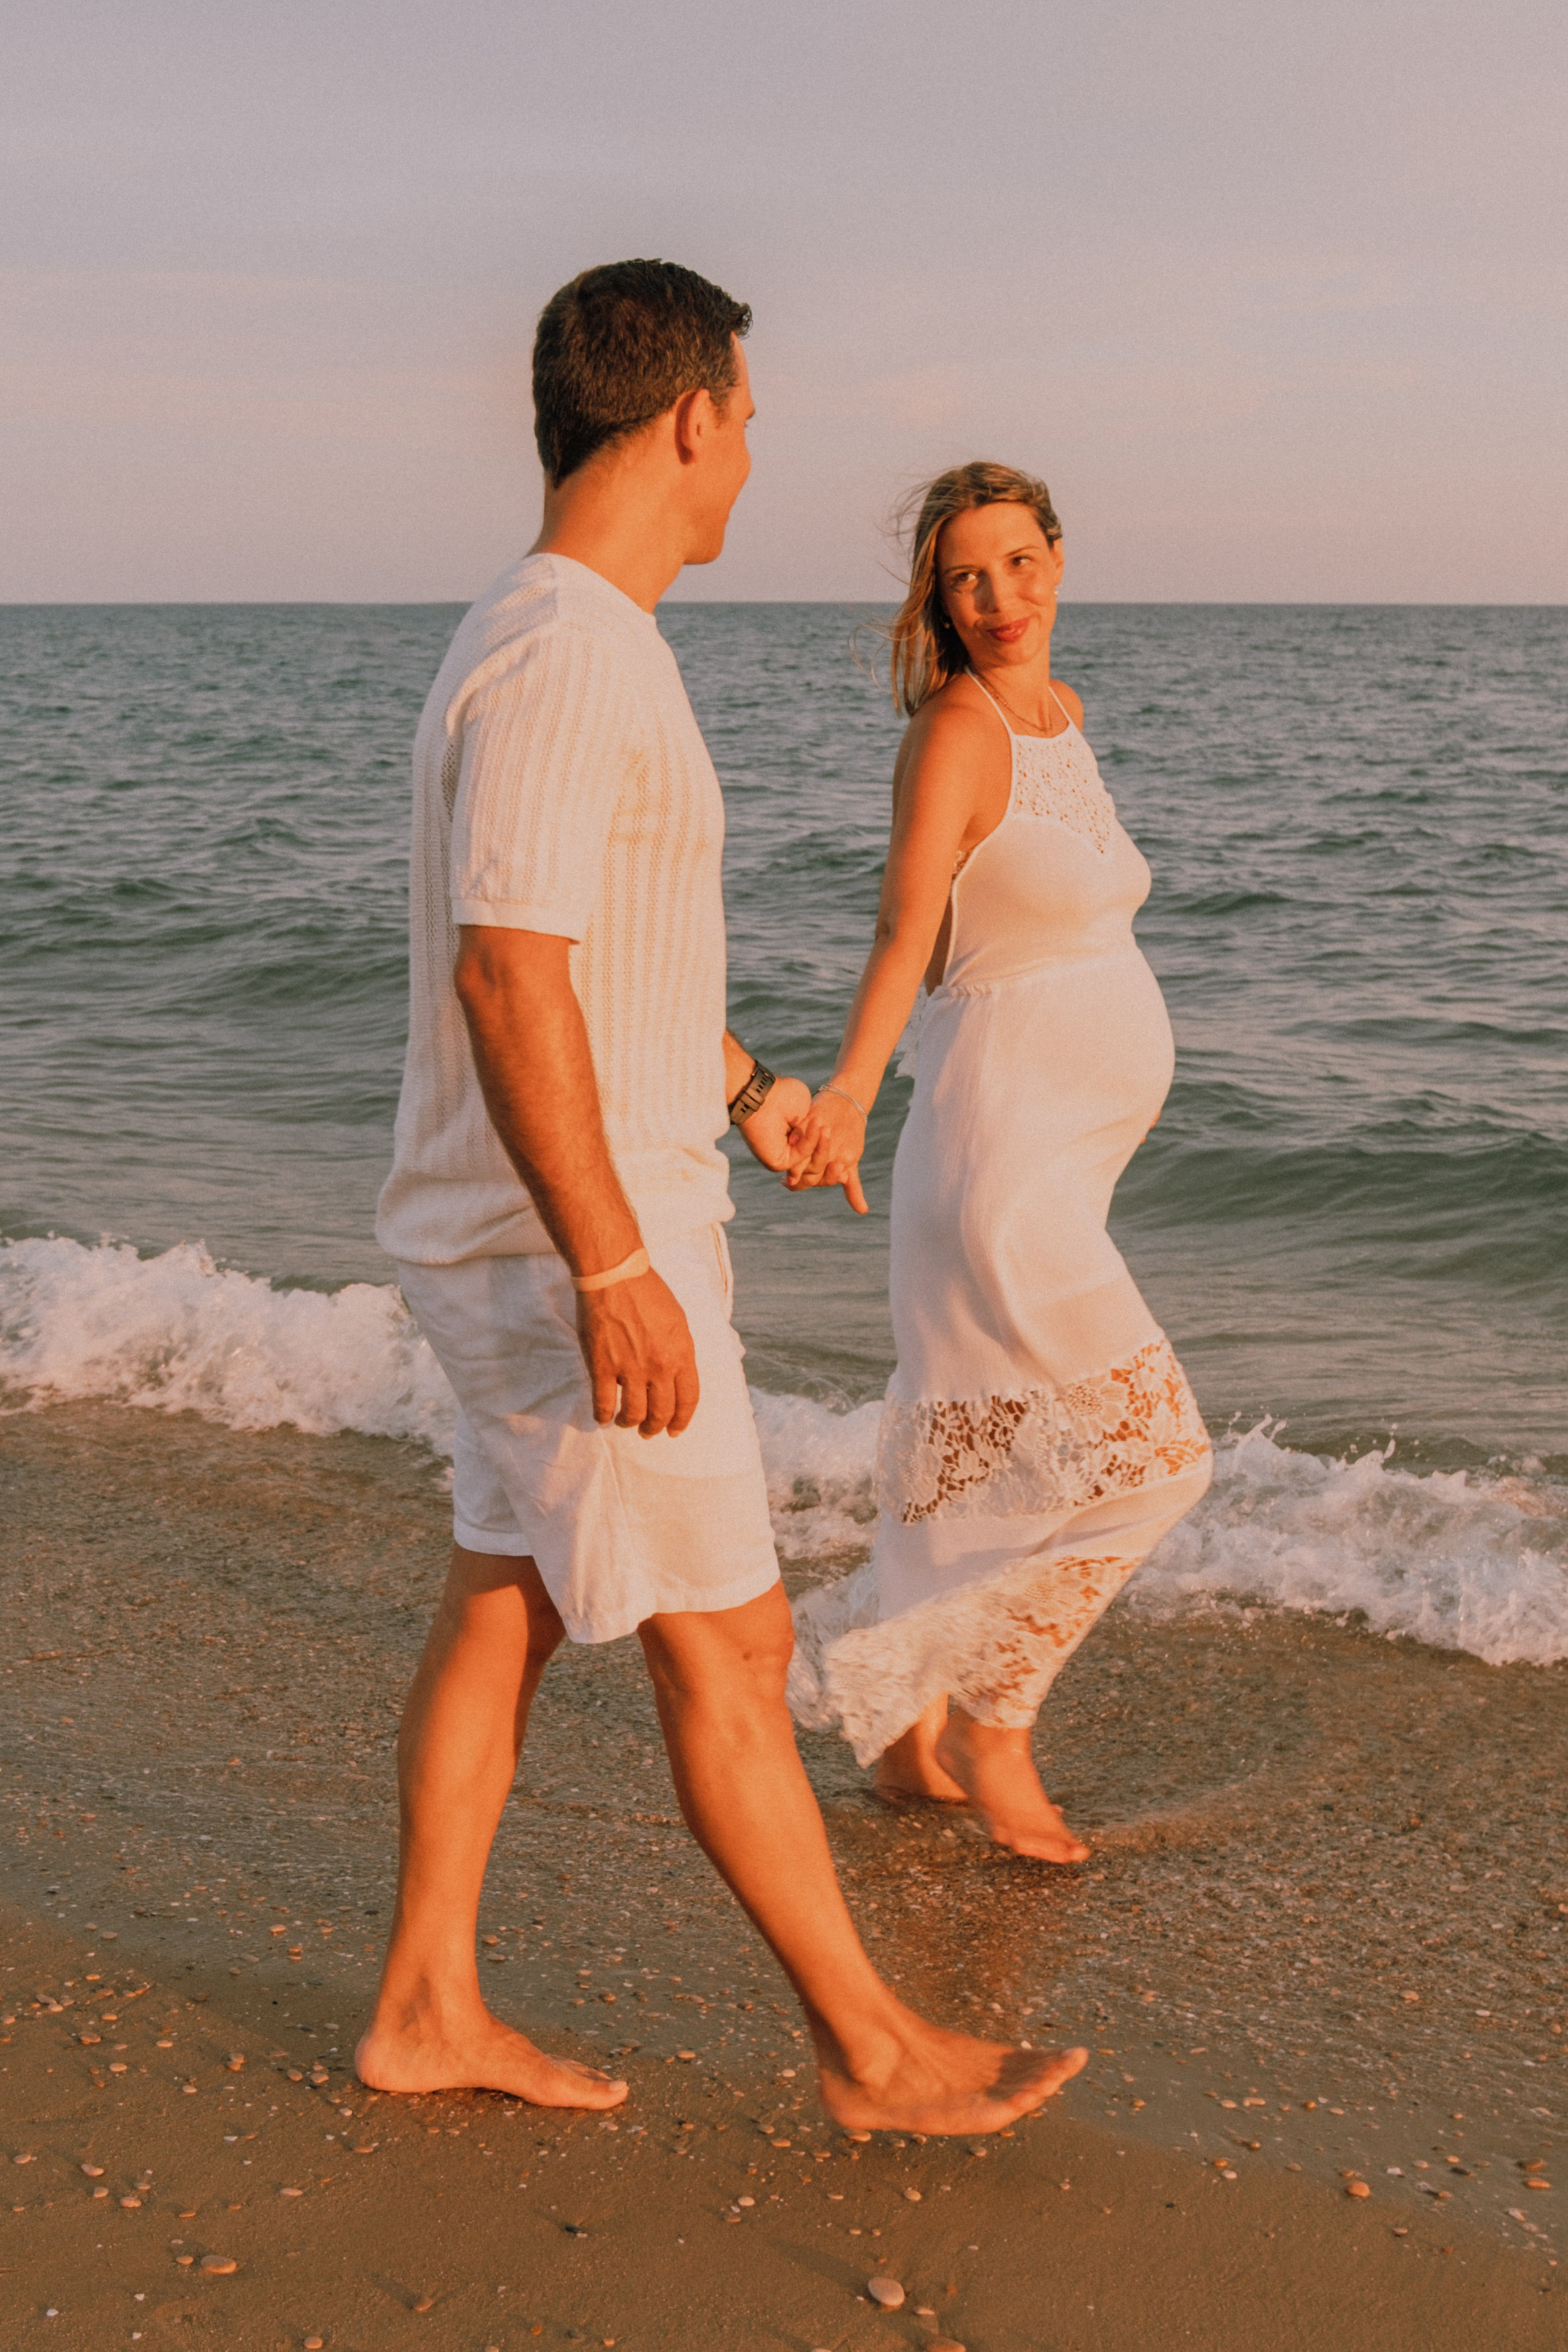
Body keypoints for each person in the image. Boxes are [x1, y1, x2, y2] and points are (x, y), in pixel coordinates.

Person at [357, 271, 1086, 2133]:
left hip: (554, 1211)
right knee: (732, 1641)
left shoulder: (552, 635)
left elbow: (607, 973)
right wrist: (614, 1259)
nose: (752, 454)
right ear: (685, 414)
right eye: (747, 418)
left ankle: (426, 2003)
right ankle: (878, 2050)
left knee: (505, 1601)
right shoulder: (569, 647)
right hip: (564, 1241)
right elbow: (510, 975)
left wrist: (755, 1089)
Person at [785, 461, 1212, 1860]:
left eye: (1018, 564)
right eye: (965, 576)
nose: (997, 598)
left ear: (1059, 561)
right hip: (995, 1157)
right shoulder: (957, 735)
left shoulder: (1058, 719)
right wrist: (846, 1090)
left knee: (967, 1465)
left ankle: (905, 1735)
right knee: (1156, 1458)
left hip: (1049, 1158)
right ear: (936, 594)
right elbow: (903, 933)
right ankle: (997, 1720)